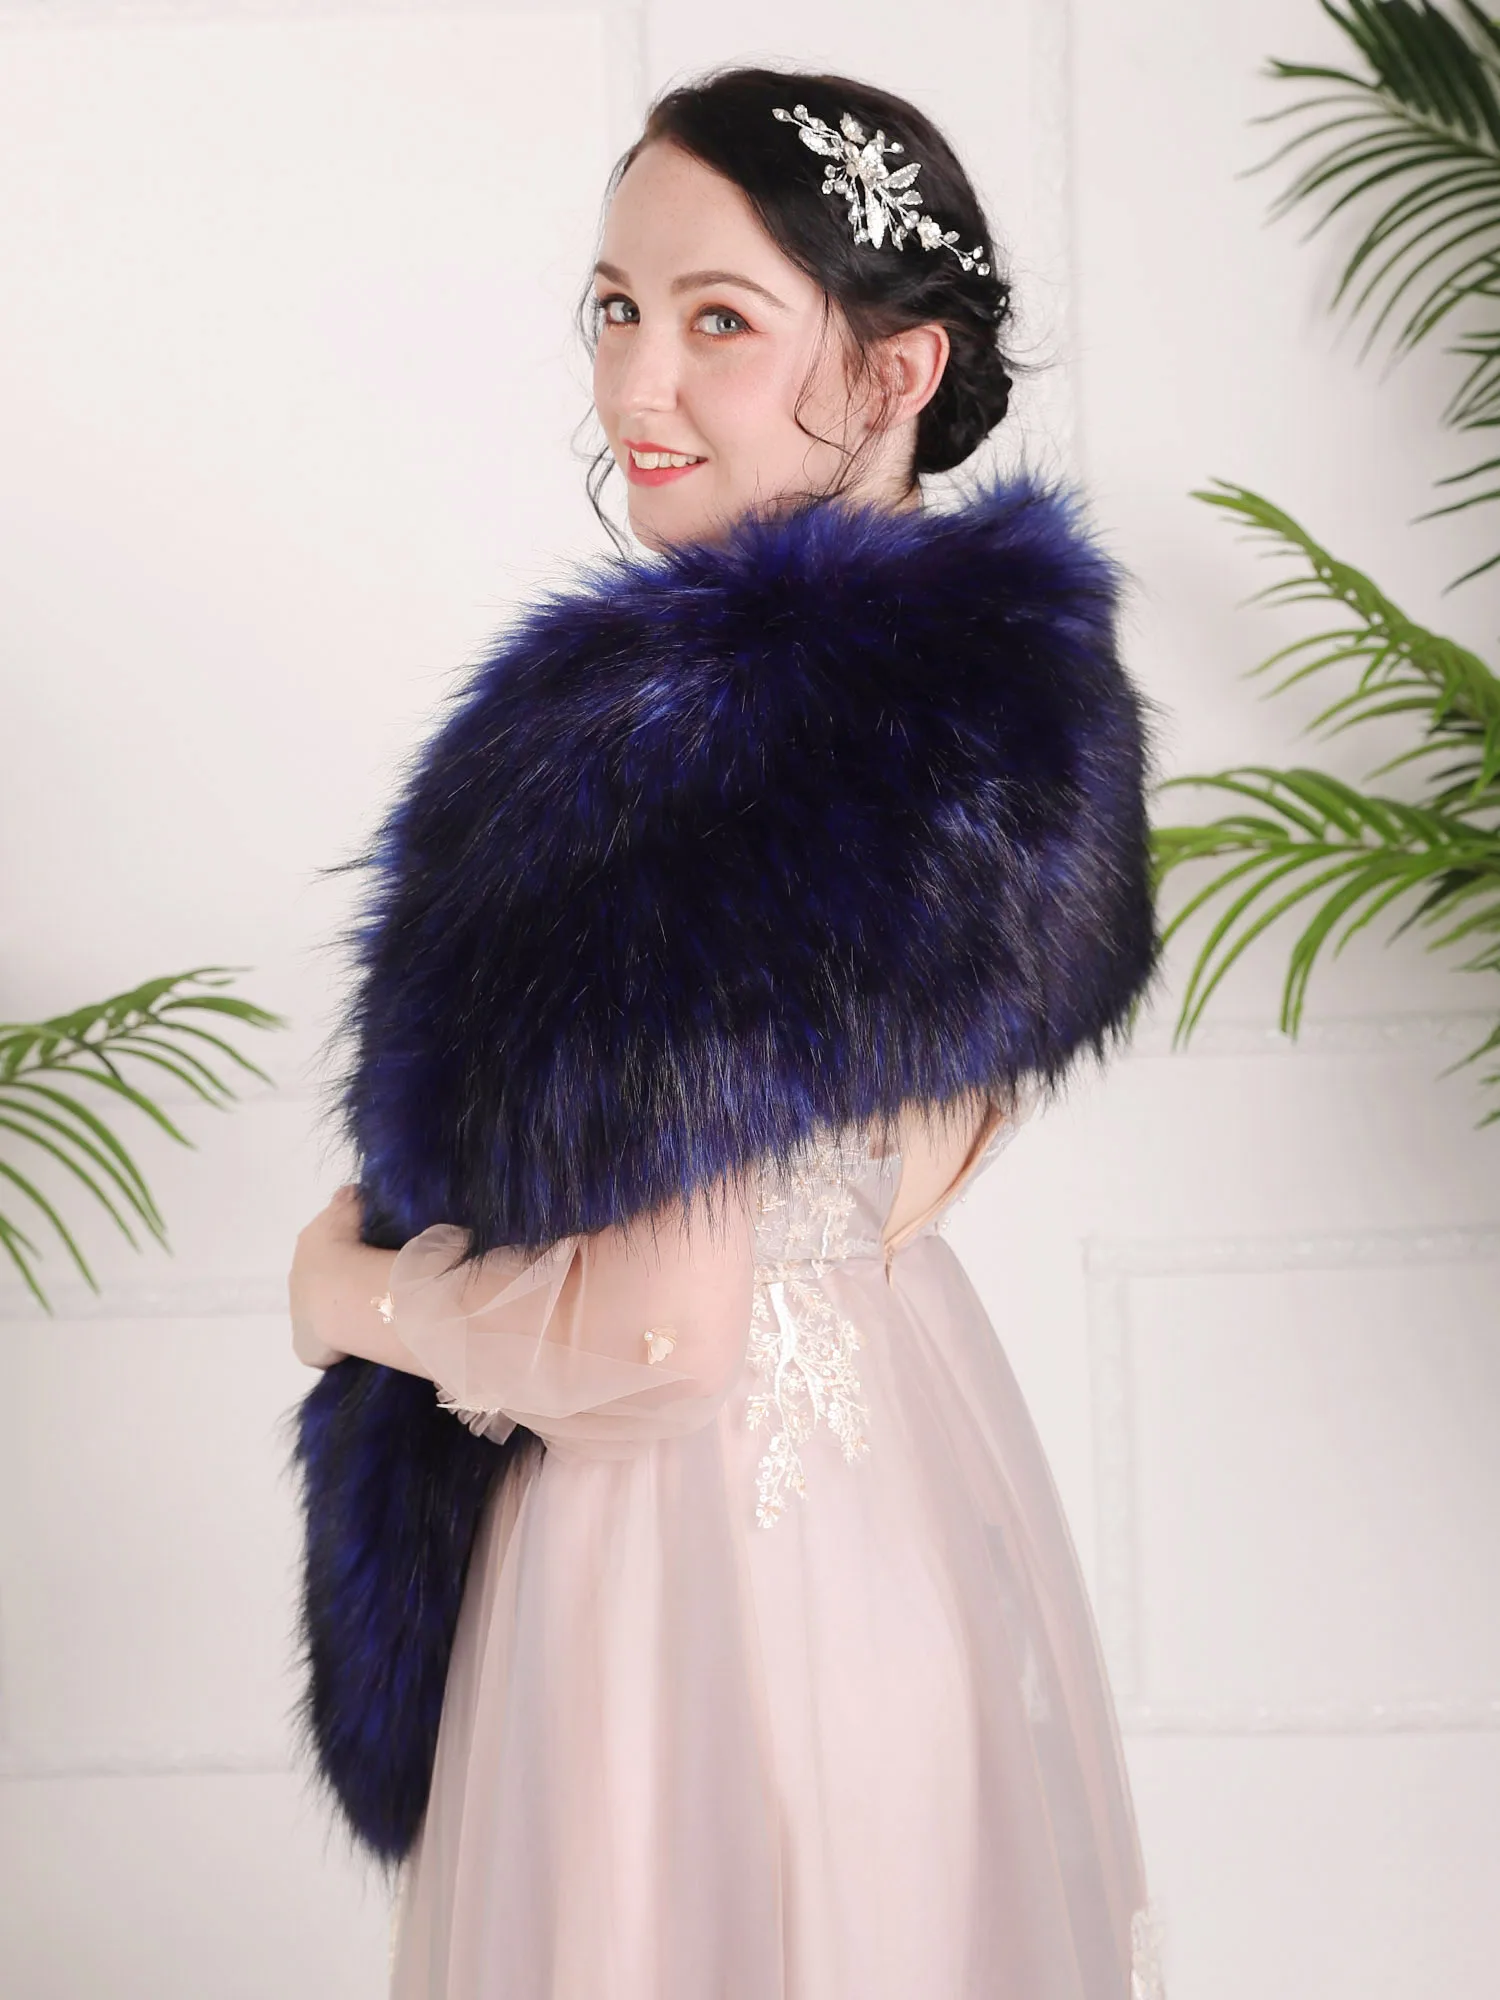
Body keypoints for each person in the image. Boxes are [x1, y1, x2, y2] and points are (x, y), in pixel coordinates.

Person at [286, 64, 1168, 2000]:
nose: (635, 383)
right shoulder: (1009, 723)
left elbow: (664, 1341)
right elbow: (901, 1176)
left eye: (719, 322)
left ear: (896, 369)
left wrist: (352, 1297)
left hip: (674, 1576)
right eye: (616, 306)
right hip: (897, 1520)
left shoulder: (704, 760)